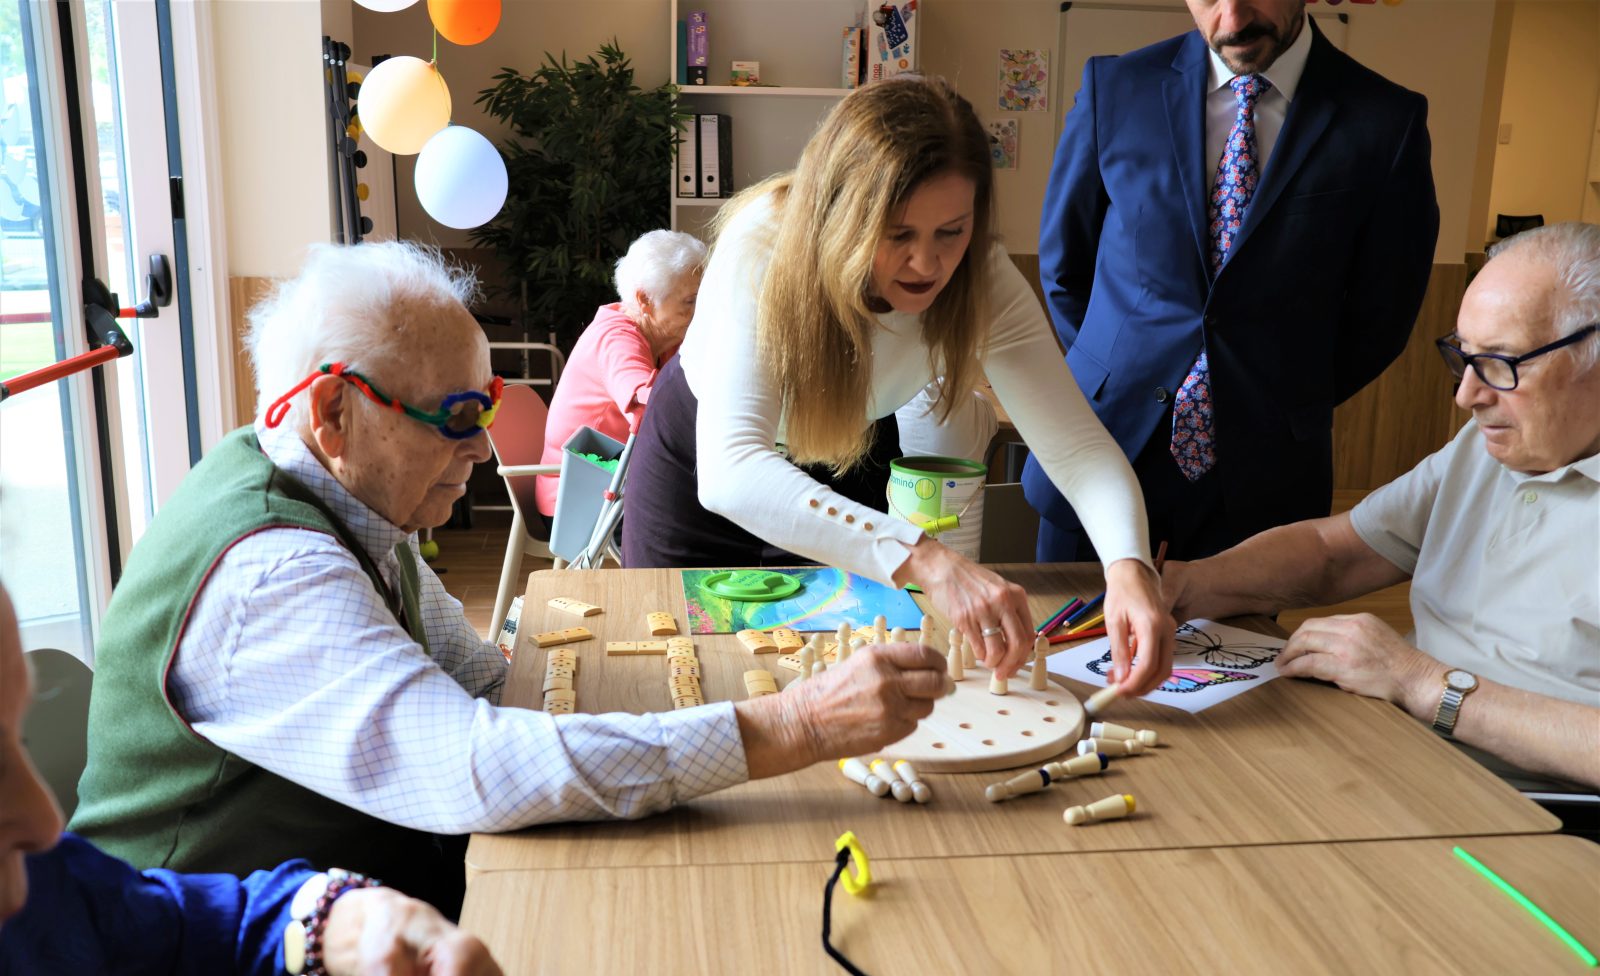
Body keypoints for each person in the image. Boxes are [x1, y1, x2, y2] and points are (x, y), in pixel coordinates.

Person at [68, 240, 950, 922]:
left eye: (486, 406)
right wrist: (794, 722)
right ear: (335, 411)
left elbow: (494, 681)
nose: (483, 448)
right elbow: (476, 766)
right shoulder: (273, 572)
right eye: (457, 415)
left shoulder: (346, 501)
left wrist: (704, 711)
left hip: (351, 914)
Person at [621, 75, 1172, 692]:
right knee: (687, 683)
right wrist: (925, 558)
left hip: (846, 457)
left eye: (951, 231)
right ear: (841, 214)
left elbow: (1076, 448)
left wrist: (1129, 566)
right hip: (702, 470)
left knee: (848, 687)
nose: (927, 264)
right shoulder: (762, 247)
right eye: (898, 233)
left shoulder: (982, 278)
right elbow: (733, 474)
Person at [1161, 223, 1600, 793]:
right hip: (1395, 748)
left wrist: (1421, 682)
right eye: (1464, 357)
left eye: (1501, 362)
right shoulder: (1485, 446)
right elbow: (1334, 553)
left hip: (1523, 809)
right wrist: (1189, 585)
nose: (1466, 396)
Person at [0, 584, 506, 976]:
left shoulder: (41, 889)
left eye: (18, 744)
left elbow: (196, 933)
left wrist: (340, 921)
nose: (46, 821)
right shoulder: (272, 568)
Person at [1024, 0, 1439, 564]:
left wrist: (1274, 392)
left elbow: (1382, 316)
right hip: (1101, 449)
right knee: (1068, 625)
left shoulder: (1386, 121)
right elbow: (1064, 265)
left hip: (1260, 478)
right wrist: (1116, 373)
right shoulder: (1117, 87)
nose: (1233, 18)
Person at [534, 229, 706, 519]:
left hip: (618, 488)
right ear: (645, 299)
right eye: (690, 301)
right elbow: (650, 410)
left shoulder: (666, 339)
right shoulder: (616, 338)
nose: (701, 312)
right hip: (579, 505)